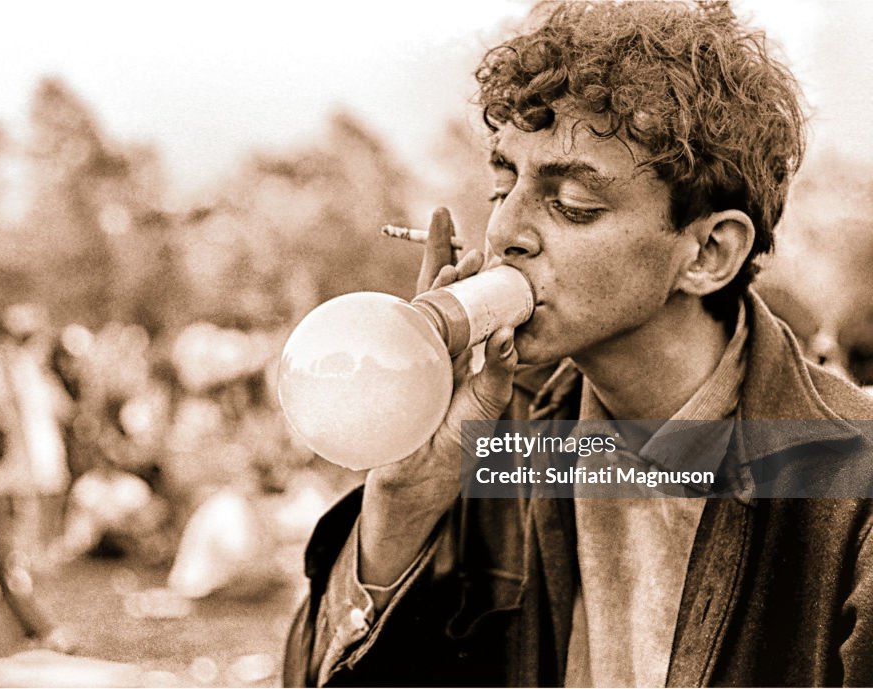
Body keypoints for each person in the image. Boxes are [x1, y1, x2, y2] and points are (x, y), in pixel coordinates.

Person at [283, 1, 873, 686]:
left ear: (709, 251)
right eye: (502, 183)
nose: (506, 231)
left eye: (571, 203)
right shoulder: (496, 446)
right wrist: (403, 499)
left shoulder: (848, 495)